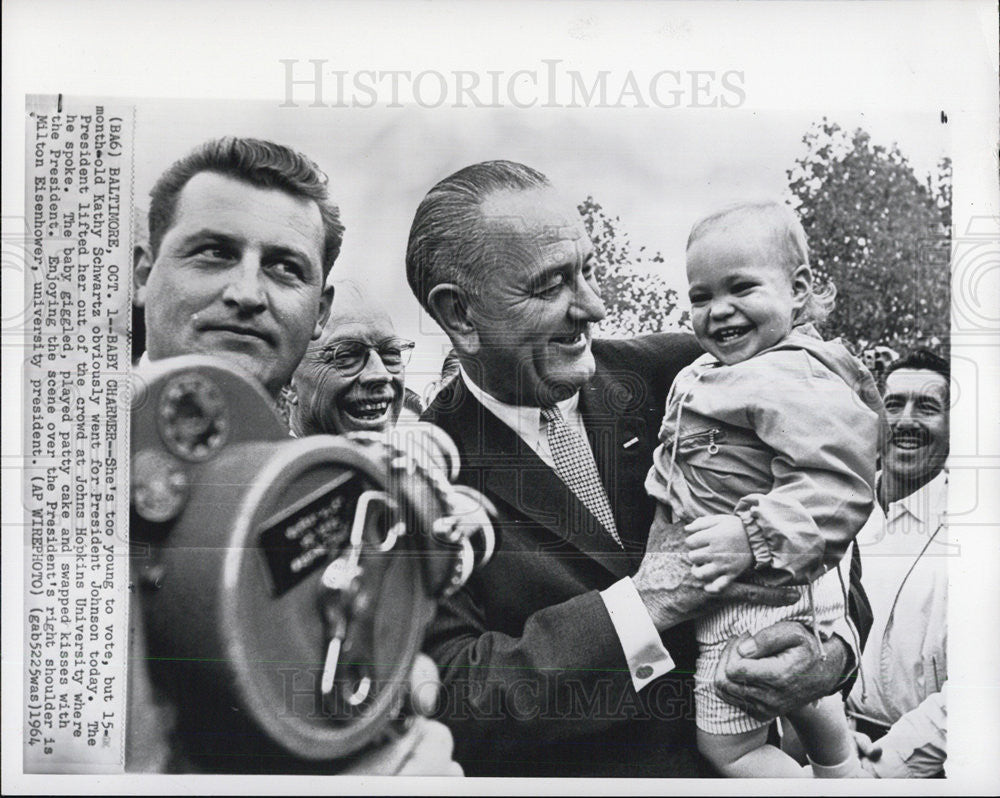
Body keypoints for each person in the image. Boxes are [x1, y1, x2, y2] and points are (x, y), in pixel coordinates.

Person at [407, 161, 869, 777]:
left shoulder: (694, 375)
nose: (595, 307)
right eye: (551, 286)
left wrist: (831, 652)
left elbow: (833, 513)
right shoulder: (416, 482)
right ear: (460, 315)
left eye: (588, 270)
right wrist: (647, 605)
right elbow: (455, 699)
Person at [129, 136, 460, 775]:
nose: (248, 293)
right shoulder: (48, 468)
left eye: (285, 267)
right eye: (213, 253)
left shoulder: (332, 488)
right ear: (144, 274)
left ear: (319, 311)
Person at [644, 201, 881, 777]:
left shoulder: (794, 373)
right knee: (800, 696)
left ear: (798, 290)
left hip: (755, 584)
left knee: (730, 747)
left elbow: (840, 483)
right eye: (701, 297)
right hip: (770, 576)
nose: (718, 311)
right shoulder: (717, 369)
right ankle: (842, 773)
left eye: (741, 288)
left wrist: (752, 536)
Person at [847, 349, 949, 777]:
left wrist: (875, 770)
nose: (905, 421)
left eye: (927, 407)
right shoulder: (836, 506)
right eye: (893, 404)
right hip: (829, 746)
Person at [287, 279, 414, 436]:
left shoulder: (417, 458)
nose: (381, 374)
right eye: (346, 356)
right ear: (287, 382)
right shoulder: (265, 460)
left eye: (391, 354)